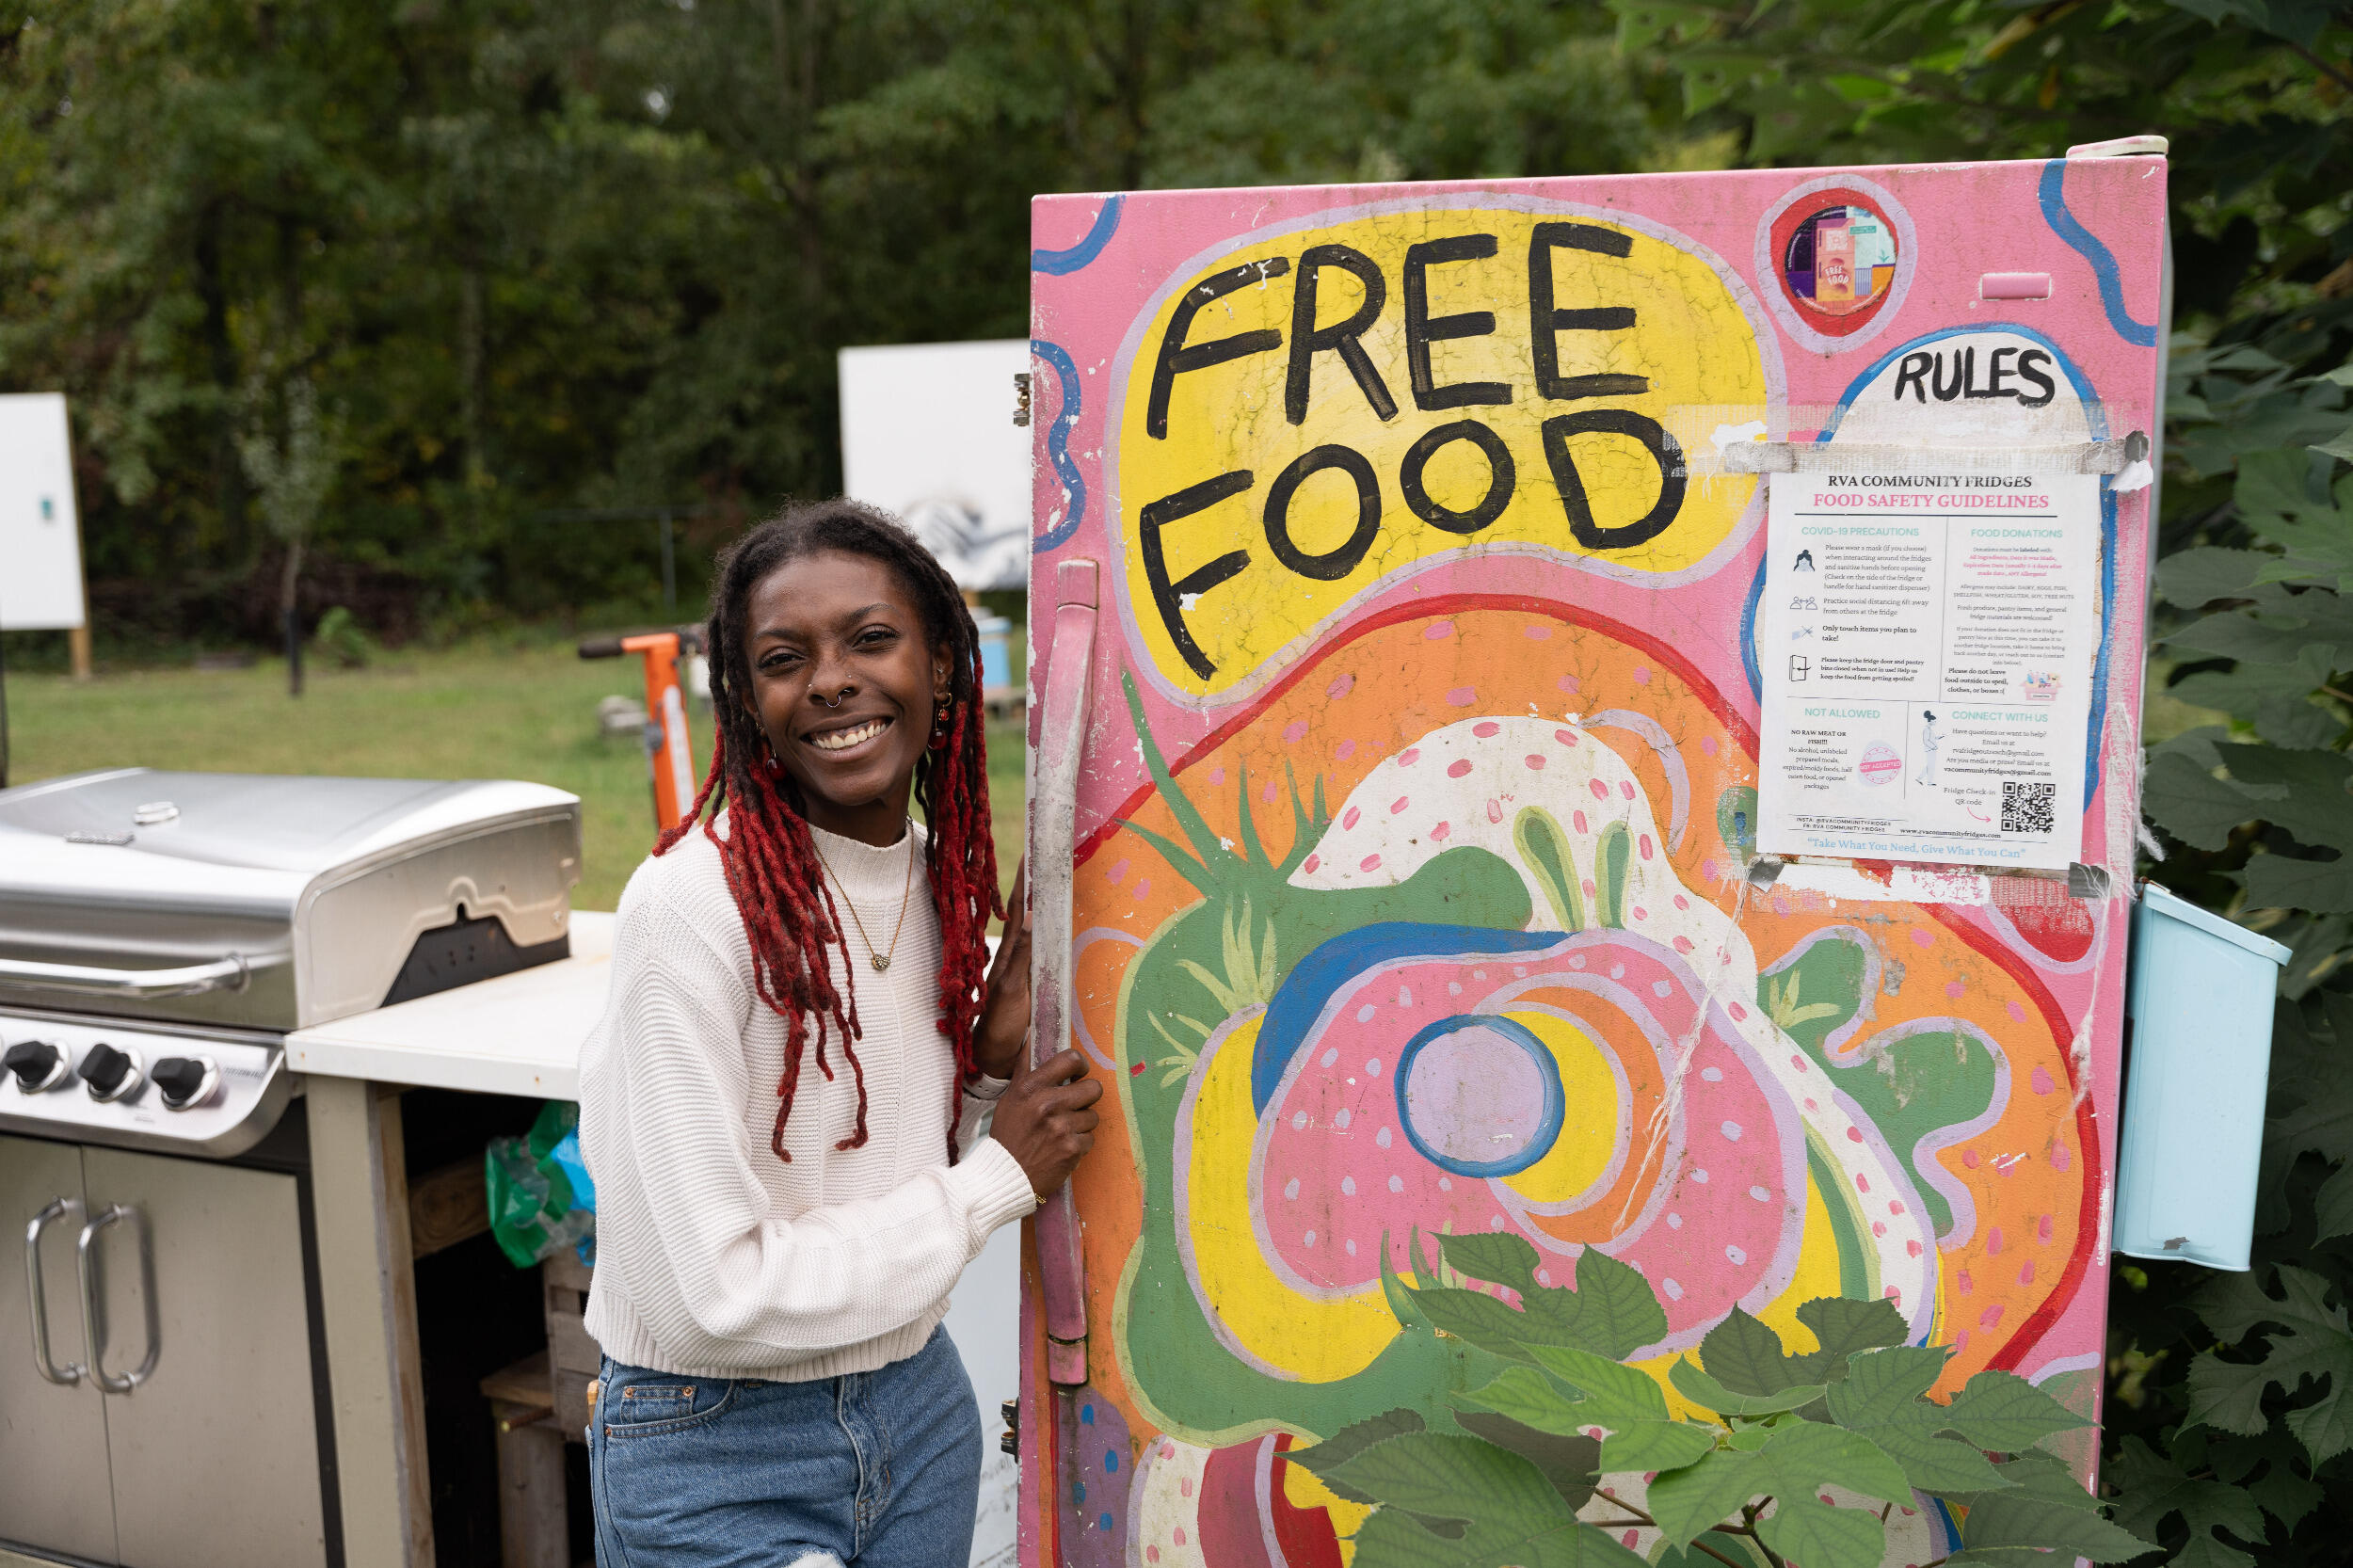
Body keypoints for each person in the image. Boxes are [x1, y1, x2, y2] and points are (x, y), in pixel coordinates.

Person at [576, 499, 1101, 1566]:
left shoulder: (932, 878)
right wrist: (996, 1175)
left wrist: (983, 1072)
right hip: (715, 1447)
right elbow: (714, 1299)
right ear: (745, 697)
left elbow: (874, 1174)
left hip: (915, 1413)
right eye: (784, 657)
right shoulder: (692, 909)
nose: (830, 679)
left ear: (945, 666)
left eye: (871, 638)